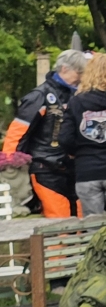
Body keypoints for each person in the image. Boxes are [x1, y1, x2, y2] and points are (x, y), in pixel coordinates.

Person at [2, 50, 88, 217]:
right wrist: (10, 169)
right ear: (64, 69)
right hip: (46, 169)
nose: (81, 77)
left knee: (80, 219)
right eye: (79, 73)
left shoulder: (79, 95)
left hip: (75, 167)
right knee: (59, 219)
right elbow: (16, 134)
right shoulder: (39, 96)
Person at [59, 53, 106, 221]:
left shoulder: (76, 102)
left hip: (87, 168)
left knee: (93, 226)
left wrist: (76, 151)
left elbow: (64, 138)